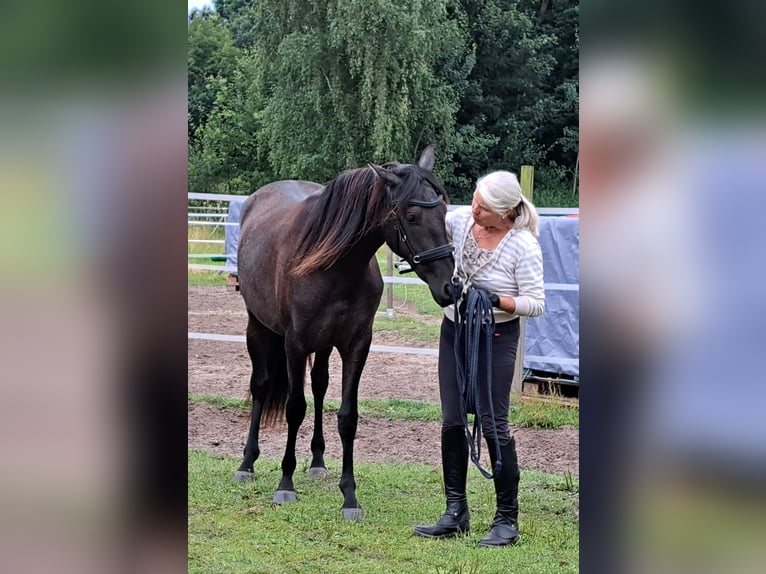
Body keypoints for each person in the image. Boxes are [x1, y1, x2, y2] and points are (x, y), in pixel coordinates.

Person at [414, 170, 545, 547]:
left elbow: (535, 303)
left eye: (483, 207)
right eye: (474, 199)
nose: (473, 209)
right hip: (455, 331)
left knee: (493, 422)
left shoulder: (523, 246)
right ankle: (456, 511)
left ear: (505, 213)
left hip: (497, 335)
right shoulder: (458, 222)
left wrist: (496, 300)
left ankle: (507, 519)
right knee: (452, 419)